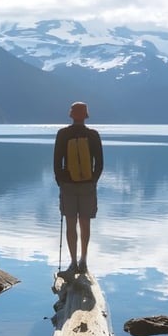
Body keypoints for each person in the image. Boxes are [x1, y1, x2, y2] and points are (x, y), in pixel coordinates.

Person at [53, 101, 103, 275]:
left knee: (70, 224)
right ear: (86, 116)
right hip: (87, 185)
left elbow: (57, 161)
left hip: (68, 185)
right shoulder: (94, 135)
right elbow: (100, 163)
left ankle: (73, 263)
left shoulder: (63, 134)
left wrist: (61, 181)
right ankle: (84, 261)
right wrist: (92, 181)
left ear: (71, 114)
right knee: (85, 223)